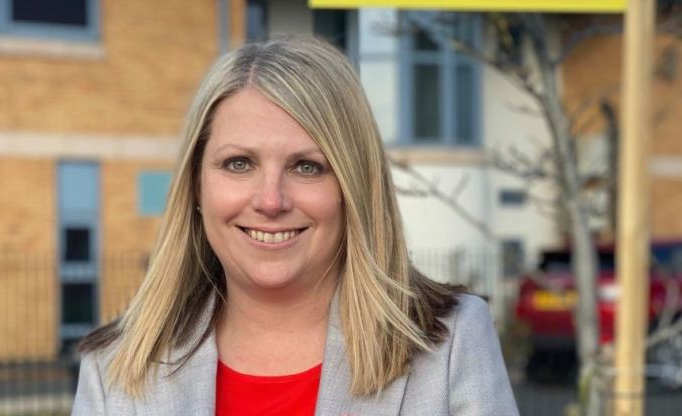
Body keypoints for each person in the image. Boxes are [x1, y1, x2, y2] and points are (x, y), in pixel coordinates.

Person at [71, 36, 518, 416]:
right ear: (195, 187)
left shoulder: (450, 344)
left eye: (307, 167)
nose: (270, 201)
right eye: (238, 163)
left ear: (354, 188)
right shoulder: (114, 371)